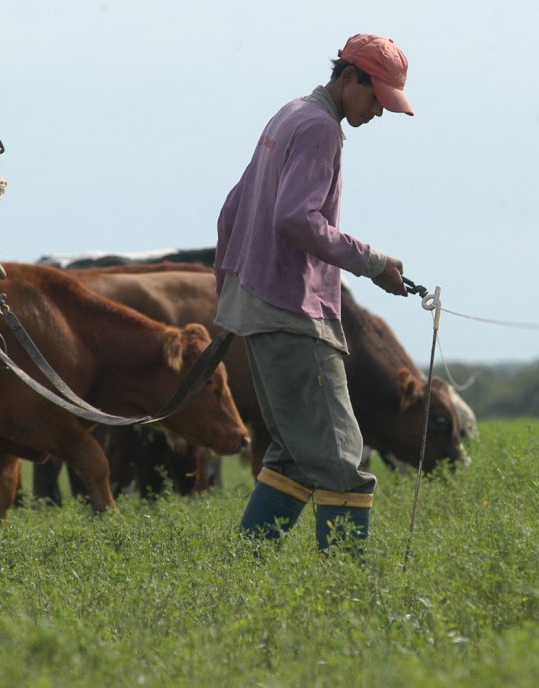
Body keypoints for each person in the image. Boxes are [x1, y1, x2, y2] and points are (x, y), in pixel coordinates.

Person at [213, 33, 414, 554]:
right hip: (290, 312)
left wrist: (233, 290)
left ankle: (243, 573)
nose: (379, 112)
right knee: (343, 458)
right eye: (377, 99)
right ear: (350, 78)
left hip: (261, 306)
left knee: (296, 455)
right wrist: (372, 263)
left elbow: (232, 209)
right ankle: (345, 598)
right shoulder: (320, 128)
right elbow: (295, 218)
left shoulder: (289, 114)